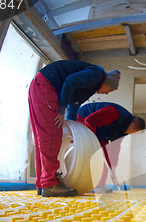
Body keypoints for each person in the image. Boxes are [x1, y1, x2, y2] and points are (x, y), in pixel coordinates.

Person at [28, 60, 120, 197]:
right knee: (51, 137)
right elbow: (70, 81)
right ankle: (51, 184)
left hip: (39, 86)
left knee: (42, 138)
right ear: (107, 82)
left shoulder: (92, 85)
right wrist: (61, 110)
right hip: (47, 87)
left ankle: (43, 183)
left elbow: (74, 104)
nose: (108, 93)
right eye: (110, 89)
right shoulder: (96, 75)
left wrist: (72, 128)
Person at [75, 102, 145, 186]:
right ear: (132, 125)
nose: (131, 134)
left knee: (104, 160)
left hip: (101, 132)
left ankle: (100, 186)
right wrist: (93, 143)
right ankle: (89, 185)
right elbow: (89, 121)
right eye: (133, 133)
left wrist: (113, 170)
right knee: (97, 159)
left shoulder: (124, 131)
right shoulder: (115, 113)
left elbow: (115, 148)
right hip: (84, 117)